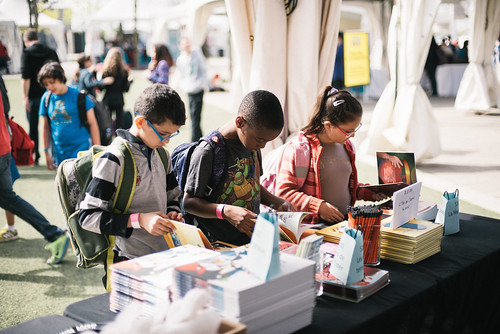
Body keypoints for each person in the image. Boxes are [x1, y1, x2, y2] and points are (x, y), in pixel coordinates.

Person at [79, 83, 186, 265]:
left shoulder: (162, 154)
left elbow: (172, 198)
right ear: (140, 122)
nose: (167, 141)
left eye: (172, 135)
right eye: (163, 134)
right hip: (128, 259)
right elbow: (87, 217)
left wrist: (174, 213)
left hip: (165, 254)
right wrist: (140, 220)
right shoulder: (114, 158)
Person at [182, 90, 293, 246]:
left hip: (250, 240)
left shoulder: (252, 145)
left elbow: (253, 184)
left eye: (267, 141)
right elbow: (189, 203)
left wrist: (276, 201)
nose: (263, 146)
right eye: (260, 140)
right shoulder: (207, 151)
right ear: (240, 122)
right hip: (217, 244)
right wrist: (225, 211)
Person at [274, 87, 388, 225]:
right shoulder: (300, 149)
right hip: (312, 227)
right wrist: (319, 207)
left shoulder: (348, 146)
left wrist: (368, 193)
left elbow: (345, 186)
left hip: (343, 224)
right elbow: (283, 193)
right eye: (348, 131)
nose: (353, 135)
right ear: (328, 125)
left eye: (355, 129)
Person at [0, 94, 69, 263]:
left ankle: (54, 234)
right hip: (3, 147)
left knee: (8, 199)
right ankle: (54, 234)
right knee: (9, 199)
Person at [38, 62, 100, 169]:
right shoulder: (46, 98)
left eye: (52, 82)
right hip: (59, 151)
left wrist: (97, 150)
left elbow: (92, 123)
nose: (49, 87)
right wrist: (46, 151)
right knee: (65, 184)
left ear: (61, 78)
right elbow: (45, 127)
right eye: (46, 84)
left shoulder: (79, 95)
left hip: (81, 148)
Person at [21, 28, 59, 165]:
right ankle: (54, 156)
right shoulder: (51, 51)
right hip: (51, 94)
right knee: (53, 125)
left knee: (33, 127)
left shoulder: (26, 53)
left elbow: (25, 78)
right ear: (38, 38)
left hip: (33, 97)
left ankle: (35, 156)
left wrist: (25, 97)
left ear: (26, 41)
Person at [176, 37, 207, 141]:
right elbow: (181, 74)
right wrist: (184, 86)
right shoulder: (181, 59)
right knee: (193, 116)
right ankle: (200, 138)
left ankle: (194, 140)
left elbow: (203, 69)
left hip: (198, 88)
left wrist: (201, 83)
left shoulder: (197, 54)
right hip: (189, 90)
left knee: (196, 116)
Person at [99, 47, 132, 132]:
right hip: (119, 99)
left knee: (107, 123)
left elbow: (101, 88)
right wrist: (129, 82)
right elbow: (125, 89)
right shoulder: (124, 72)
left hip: (108, 99)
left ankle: (108, 138)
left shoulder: (106, 71)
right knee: (119, 124)